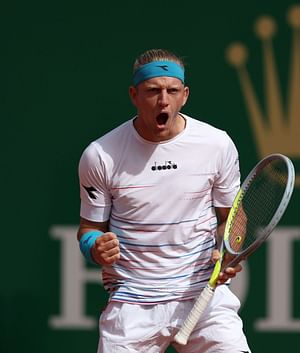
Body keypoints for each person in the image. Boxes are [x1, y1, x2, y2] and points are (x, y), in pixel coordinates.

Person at [77, 48, 251, 353]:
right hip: (132, 304)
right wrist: (95, 246)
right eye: (153, 91)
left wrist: (229, 249)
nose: (163, 100)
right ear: (134, 95)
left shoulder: (217, 144)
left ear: (184, 95)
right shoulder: (100, 155)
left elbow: (231, 217)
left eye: (172, 91)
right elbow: (89, 228)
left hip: (204, 297)